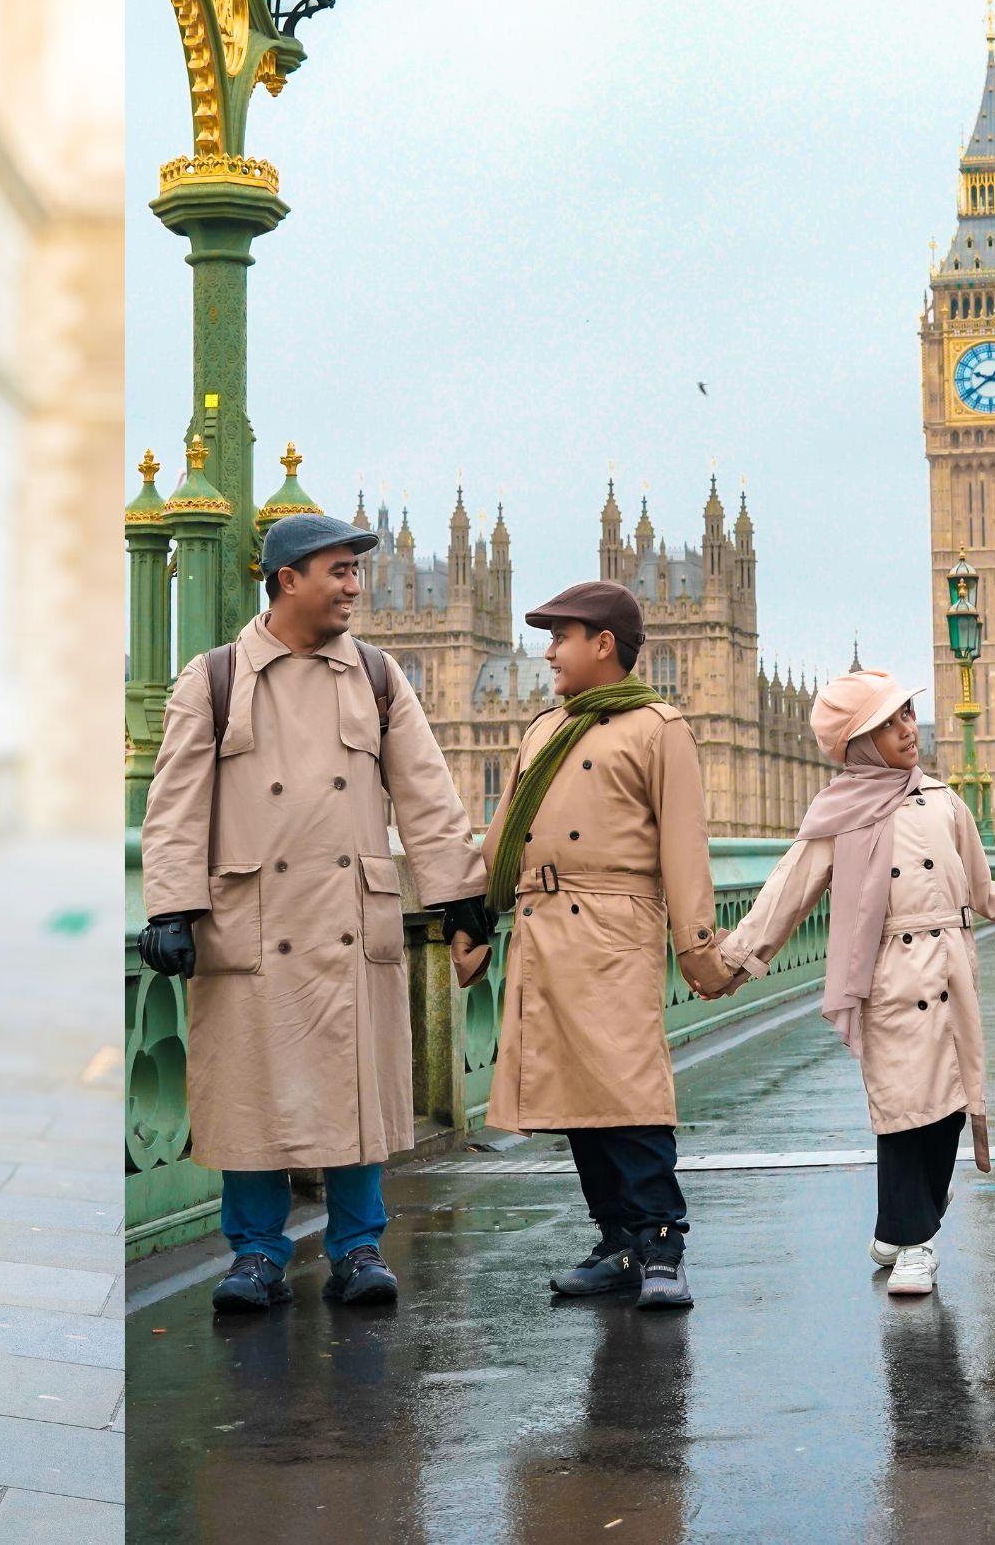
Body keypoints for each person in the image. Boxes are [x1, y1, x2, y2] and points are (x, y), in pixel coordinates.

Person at [136, 509, 485, 1316]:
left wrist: (461, 896)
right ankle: (255, 1256)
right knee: (251, 1093)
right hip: (250, 920)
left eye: (357, 573)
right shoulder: (213, 677)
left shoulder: (377, 675)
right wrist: (172, 906)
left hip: (346, 919)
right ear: (287, 579)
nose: (354, 588)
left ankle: (357, 1246)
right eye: (339, 572)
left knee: (350, 1092)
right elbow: (176, 803)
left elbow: (427, 793)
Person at [486, 576, 743, 1311]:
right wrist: (473, 916)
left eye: (561, 637)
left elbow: (685, 845)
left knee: (628, 1092)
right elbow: (505, 832)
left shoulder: (658, 727)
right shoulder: (542, 727)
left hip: (613, 926)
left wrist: (696, 945)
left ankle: (661, 1243)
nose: (549, 652)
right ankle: (617, 1242)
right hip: (542, 928)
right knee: (574, 1100)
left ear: (603, 645)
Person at [719, 668, 995, 1300]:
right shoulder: (839, 815)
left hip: (953, 970)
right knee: (905, 1112)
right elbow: (789, 892)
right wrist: (734, 958)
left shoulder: (945, 801)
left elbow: (985, 890)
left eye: (908, 716)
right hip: (890, 977)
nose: (909, 729)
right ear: (860, 744)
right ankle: (915, 1243)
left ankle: (901, 1223)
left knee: (947, 1112)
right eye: (892, 722)